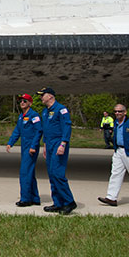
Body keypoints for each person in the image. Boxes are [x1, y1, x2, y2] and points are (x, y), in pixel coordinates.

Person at [97, 104, 129, 208]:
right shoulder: (116, 122)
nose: (117, 113)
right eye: (116, 111)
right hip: (118, 151)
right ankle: (111, 197)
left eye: (120, 111)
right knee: (115, 173)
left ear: (125, 112)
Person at [38, 87, 76, 215]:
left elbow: (67, 126)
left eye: (43, 95)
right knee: (51, 174)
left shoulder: (61, 109)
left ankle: (69, 202)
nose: (41, 97)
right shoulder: (45, 112)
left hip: (59, 143)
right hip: (49, 144)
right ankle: (58, 203)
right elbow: (46, 129)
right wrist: (45, 145)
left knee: (57, 173)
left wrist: (63, 143)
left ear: (50, 96)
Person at [6, 93, 42, 207]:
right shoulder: (21, 116)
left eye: (25, 101)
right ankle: (35, 198)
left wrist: (33, 146)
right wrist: (10, 143)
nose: (22, 103)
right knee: (29, 173)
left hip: (30, 148)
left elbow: (39, 131)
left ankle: (25, 199)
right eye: (21, 101)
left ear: (30, 103)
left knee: (25, 172)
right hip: (24, 146)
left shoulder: (34, 115)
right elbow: (17, 131)